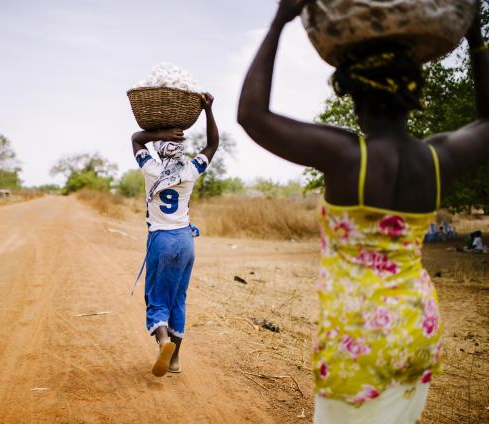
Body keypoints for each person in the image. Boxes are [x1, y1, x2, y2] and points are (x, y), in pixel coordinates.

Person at [237, 1, 488, 422]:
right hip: (416, 329)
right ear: (414, 93)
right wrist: (476, 37)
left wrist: (279, 21)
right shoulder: (438, 158)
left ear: (353, 95)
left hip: (360, 340)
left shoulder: (346, 155)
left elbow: (251, 115)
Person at [131, 93, 219, 377]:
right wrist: (208, 110)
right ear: (179, 150)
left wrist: (161, 131)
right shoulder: (191, 171)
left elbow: (135, 138)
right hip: (185, 240)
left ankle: (163, 342)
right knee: (178, 298)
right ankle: (176, 359)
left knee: (157, 298)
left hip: (161, 240)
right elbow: (213, 144)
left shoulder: (150, 169)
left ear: (159, 149)